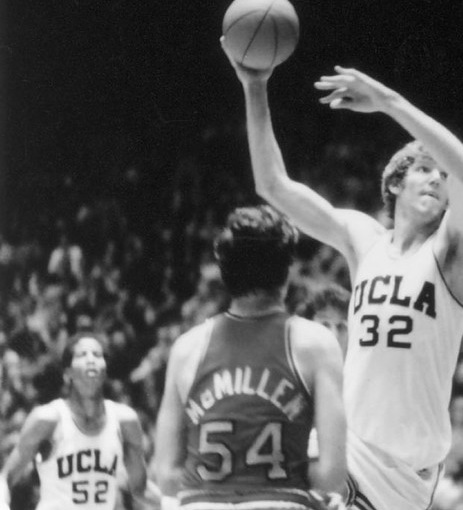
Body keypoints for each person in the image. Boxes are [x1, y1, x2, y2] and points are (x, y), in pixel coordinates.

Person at [222, 41, 463, 510]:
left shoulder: (450, 253)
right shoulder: (364, 240)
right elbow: (273, 186)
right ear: (395, 184)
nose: (437, 179)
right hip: (347, 449)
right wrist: (255, 86)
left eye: (441, 178)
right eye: (425, 168)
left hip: (404, 477)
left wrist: (386, 101)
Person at [153, 205, 346, 510]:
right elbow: (332, 475)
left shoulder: (186, 348)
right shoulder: (316, 343)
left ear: (225, 272)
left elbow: (164, 475)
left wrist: (224, 484)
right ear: (286, 272)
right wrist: (277, 480)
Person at [0, 333, 160, 510]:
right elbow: (6, 476)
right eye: (82, 355)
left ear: (105, 369)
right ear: (68, 371)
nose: (91, 360)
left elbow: (140, 489)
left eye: (97, 355)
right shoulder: (47, 419)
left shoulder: (125, 420)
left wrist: (176, 504)